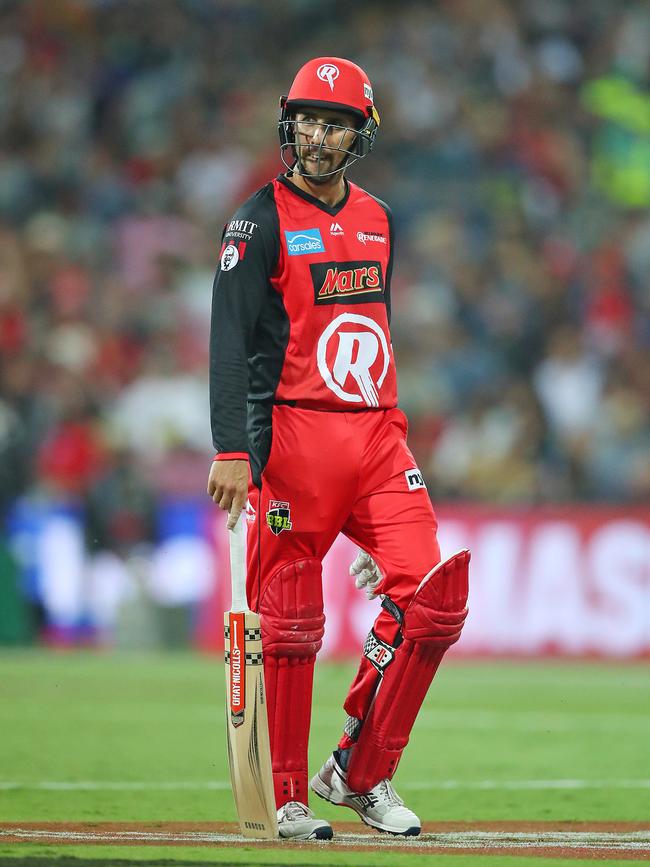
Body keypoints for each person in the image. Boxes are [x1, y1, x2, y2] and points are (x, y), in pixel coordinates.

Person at [207, 56, 469, 840]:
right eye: (308, 122)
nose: (317, 137)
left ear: (361, 133)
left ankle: (359, 774)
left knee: (431, 592)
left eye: (335, 123)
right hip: (292, 432)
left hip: (379, 429)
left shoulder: (381, 219)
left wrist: (365, 507)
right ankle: (288, 794)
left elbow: (365, 331)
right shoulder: (255, 221)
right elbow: (229, 342)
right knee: (290, 621)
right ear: (289, 126)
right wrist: (230, 448)